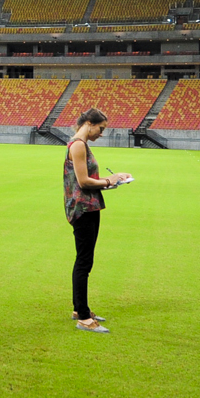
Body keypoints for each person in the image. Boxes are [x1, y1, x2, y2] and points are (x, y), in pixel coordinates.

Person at [65, 107, 130, 333]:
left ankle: (79, 308)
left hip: (87, 207)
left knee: (85, 260)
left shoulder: (80, 144)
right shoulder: (79, 145)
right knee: (84, 262)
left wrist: (114, 181)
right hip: (83, 209)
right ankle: (83, 317)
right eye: (100, 129)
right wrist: (108, 180)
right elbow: (83, 182)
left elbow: (89, 182)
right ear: (89, 124)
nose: (101, 134)